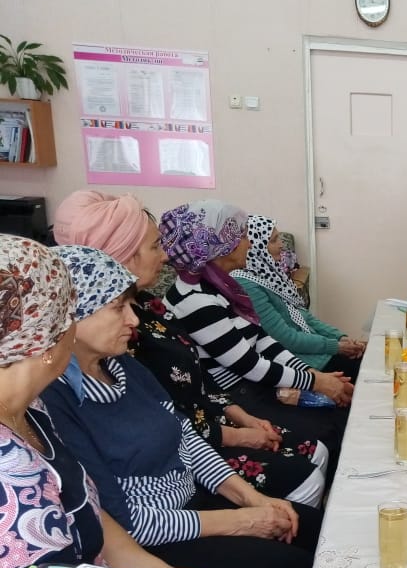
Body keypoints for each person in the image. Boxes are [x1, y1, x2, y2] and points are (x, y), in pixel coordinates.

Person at [41, 245, 320, 568]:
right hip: (155, 537)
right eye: (117, 308)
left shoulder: (124, 367)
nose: (133, 320)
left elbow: (186, 436)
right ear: (72, 317)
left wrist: (253, 499)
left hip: (191, 502)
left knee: (313, 528)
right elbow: (125, 521)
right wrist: (240, 521)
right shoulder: (57, 401)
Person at [52, 190, 327, 506]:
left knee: (317, 449)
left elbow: (197, 377)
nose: (165, 256)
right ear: (124, 255)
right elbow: (169, 424)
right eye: (155, 246)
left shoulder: (150, 306)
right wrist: (242, 434)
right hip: (190, 453)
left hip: (209, 423)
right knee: (309, 468)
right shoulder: (117, 338)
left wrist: (243, 418)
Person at [0, 236, 204, 568]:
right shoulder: (9, 469)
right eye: (69, 314)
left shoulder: (31, 408)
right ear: (48, 336)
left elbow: (92, 512)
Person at [158, 200, 350, 470]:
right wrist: (316, 382)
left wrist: (313, 375)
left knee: (339, 417)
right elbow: (247, 364)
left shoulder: (219, 285)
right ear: (221, 246)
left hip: (254, 388)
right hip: (235, 399)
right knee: (327, 431)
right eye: (242, 237)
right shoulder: (194, 300)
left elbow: (262, 339)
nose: (249, 243)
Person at [231, 214, 365, 377]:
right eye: (273, 240)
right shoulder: (247, 284)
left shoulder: (270, 275)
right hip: (298, 362)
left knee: (370, 358)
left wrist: (341, 338)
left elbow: (305, 318)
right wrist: (336, 347)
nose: (281, 245)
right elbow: (285, 338)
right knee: (370, 370)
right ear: (254, 245)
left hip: (314, 352)